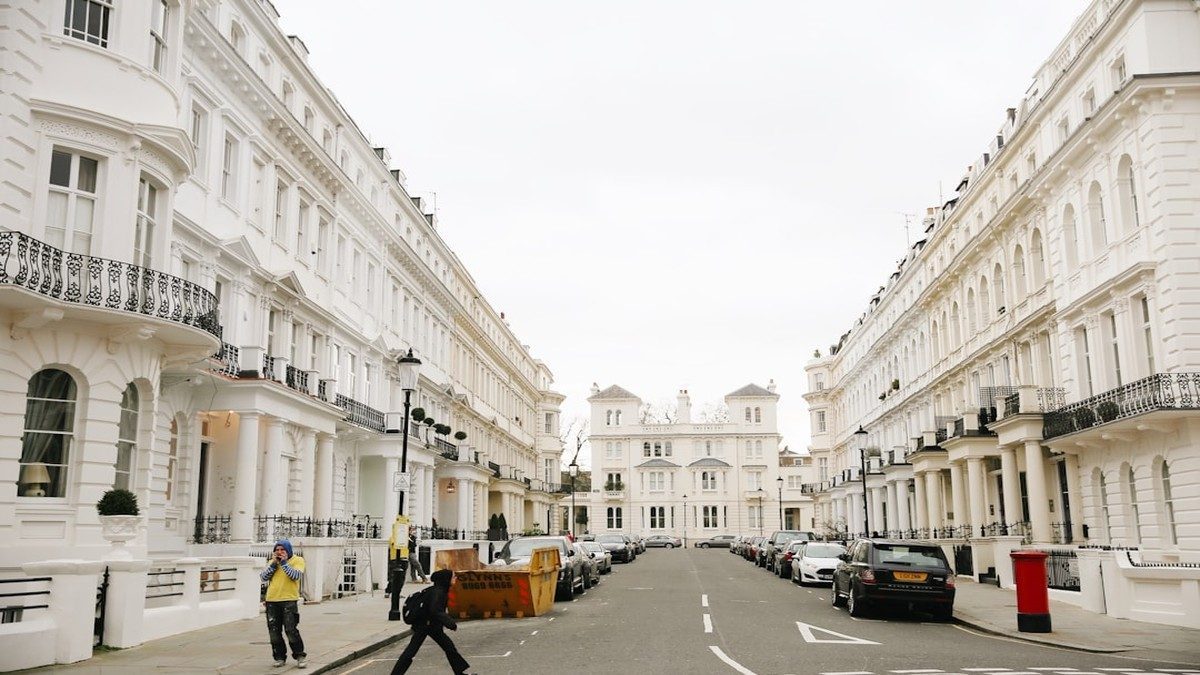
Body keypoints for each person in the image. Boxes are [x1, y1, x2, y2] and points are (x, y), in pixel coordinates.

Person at [390, 569, 471, 675]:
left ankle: (459, 672)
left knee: (449, 647)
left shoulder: (438, 590)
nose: (455, 579)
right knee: (411, 652)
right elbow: (435, 610)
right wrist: (450, 623)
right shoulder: (438, 592)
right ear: (446, 579)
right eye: (453, 577)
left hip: (432, 626)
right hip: (424, 625)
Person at [261, 540, 307, 668]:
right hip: (272, 600)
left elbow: (295, 576)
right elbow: (263, 577)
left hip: (289, 600)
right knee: (274, 632)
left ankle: (300, 656)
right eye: (277, 550)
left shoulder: (298, 560)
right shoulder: (273, 562)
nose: (279, 552)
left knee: (290, 630)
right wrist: (274, 565)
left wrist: (284, 563)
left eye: (282, 550)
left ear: (288, 550)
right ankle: (279, 657)